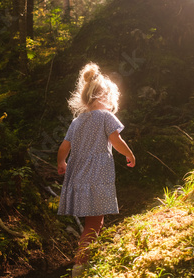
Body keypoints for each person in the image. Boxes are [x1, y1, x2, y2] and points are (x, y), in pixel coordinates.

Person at [57, 62, 136, 277]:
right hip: (96, 178)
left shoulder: (77, 121)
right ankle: (81, 266)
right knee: (95, 222)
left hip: (78, 179)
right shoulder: (105, 117)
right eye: (111, 99)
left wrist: (61, 163)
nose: (112, 104)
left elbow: (64, 147)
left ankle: (87, 257)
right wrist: (129, 154)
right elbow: (115, 139)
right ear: (103, 97)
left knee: (90, 222)